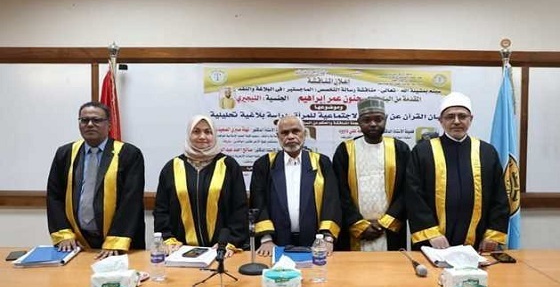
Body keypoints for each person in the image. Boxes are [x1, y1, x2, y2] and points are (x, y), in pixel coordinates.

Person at [406, 92, 509, 251]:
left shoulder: (487, 152)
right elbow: (414, 197)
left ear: (470, 119)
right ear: (441, 121)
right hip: (433, 243)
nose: (456, 121)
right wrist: (431, 233)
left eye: (462, 116)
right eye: (450, 117)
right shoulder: (423, 152)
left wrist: (492, 235)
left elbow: (499, 197)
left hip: (478, 243)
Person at [46, 101, 145, 259]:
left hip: (118, 243)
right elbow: (54, 196)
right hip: (76, 242)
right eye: (84, 120)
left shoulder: (129, 154)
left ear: (109, 125)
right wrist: (64, 233)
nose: (90, 124)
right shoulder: (65, 153)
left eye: (97, 120)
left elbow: (131, 200)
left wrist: (116, 240)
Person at [153, 115, 248, 256]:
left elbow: (239, 208)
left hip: (221, 250)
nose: (202, 136)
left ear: (214, 135)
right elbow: (161, 209)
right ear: (189, 134)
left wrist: (230, 242)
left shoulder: (228, 165)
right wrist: (168, 239)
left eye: (208, 132)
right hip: (180, 250)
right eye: (196, 131)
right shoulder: (172, 167)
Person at [250, 115, 341, 257]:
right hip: (275, 242)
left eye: (295, 131)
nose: (291, 136)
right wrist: (266, 239)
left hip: (316, 242)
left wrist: (327, 238)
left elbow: (331, 201)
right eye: (285, 133)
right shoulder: (264, 164)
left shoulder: (321, 162)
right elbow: (258, 203)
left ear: (304, 134)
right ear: (278, 137)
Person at [333, 97, 411, 251]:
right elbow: (340, 192)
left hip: (390, 229)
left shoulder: (400, 149)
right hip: (355, 231)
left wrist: (385, 223)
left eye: (378, 119)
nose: (373, 124)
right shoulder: (345, 150)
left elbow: (407, 190)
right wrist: (359, 225)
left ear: (385, 120)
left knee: (393, 266)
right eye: (367, 120)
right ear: (359, 122)